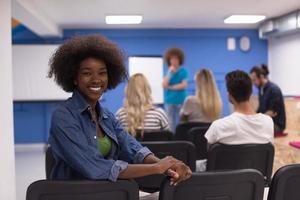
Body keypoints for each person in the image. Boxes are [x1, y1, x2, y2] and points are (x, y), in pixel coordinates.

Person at [47, 35, 191, 184]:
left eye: (102, 73)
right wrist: (156, 167)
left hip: (107, 192)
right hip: (74, 194)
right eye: (87, 73)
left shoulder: (107, 116)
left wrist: (168, 167)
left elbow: (133, 148)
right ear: (74, 78)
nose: (96, 79)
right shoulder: (63, 116)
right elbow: (94, 167)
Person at [205, 70, 274, 145]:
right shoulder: (268, 122)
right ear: (251, 93)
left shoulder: (218, 127)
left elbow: (208, 153)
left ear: (229, 96)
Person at [116, 73, 170, 139]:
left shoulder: (120, 115)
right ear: (147, 90)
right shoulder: (159, 114)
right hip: (154, 150)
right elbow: (169, 140)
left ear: (128, 90)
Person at [250, 64, 286, 133]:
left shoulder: (274, 90)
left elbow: (272, 112)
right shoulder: (261, 89)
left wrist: (255, 120)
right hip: (266, 123)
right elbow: (260, 110)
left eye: (254, 80)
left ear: (261, 77)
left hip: (276, 126)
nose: (253, 83)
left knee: (252, 131)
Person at [162, 48, 188, 132]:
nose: (173, 61)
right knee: (170, 122)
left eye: (176, 58)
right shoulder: (167, 71)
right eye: (171, 59)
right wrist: (169, 73)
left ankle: (182, 137)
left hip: (181, 100)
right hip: (169, 101)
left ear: (180, 59)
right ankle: (172, 139)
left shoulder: (184, 71)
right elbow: (164, 85)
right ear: (169, 60)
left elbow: (183, 85)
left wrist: (170, 87)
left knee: (182, 121)